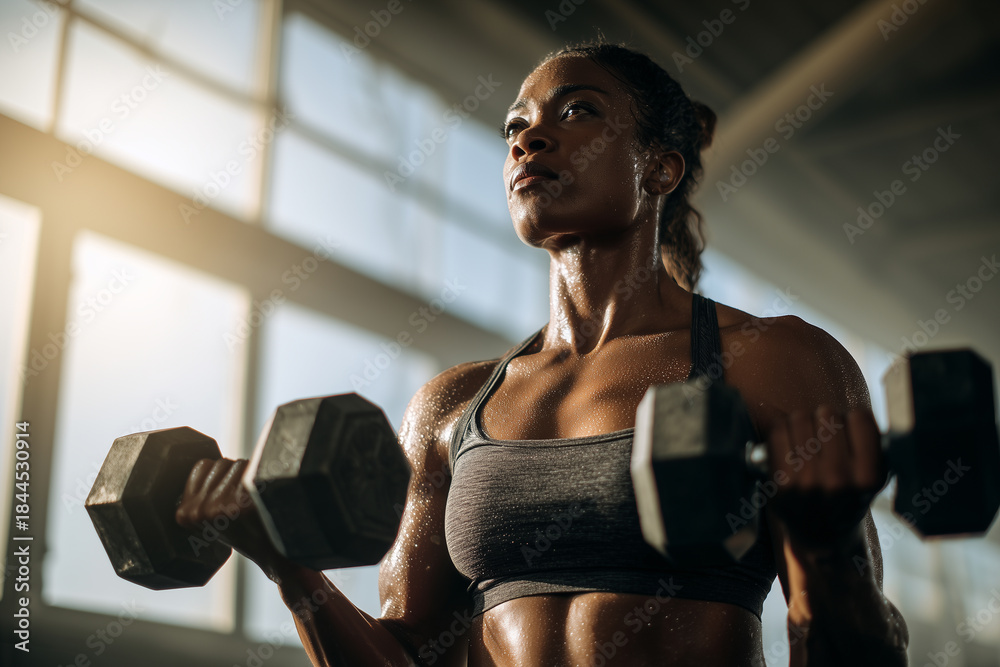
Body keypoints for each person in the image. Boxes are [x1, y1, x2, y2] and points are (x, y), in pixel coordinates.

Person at [176, 40, 909, 666]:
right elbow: (406, 654)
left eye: (577, 112)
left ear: (660, 169)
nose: (528, 139)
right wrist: (289, 566)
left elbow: (864, 643)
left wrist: (824, 554)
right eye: (515, 127)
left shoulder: (770, 359)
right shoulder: (451, 406)